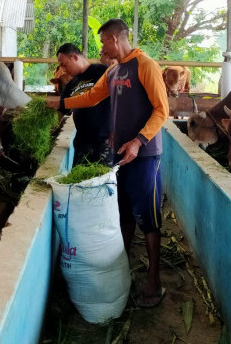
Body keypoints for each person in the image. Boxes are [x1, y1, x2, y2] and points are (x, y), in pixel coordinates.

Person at [59, 19, 169, 307]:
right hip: (121, 155)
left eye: (104, 41)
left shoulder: (145, 65)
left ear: (115, 38)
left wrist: (138, 141)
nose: (101, 47)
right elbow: (93, 97)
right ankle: (125, 269)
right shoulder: (114, 71)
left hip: (145, 155)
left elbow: (162, 110)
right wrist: (60, 104)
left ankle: (154, 281)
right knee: (123, 214)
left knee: (149, 218)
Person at [54, 43, 112, 166]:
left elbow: (119, 101)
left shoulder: (102, 72)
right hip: (82, 144)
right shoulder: (71, 84)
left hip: (104, 142)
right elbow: (61, 111)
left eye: (64, 64)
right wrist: (50, 131)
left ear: (74, 57)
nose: (63, 69)